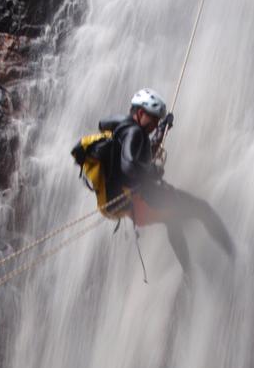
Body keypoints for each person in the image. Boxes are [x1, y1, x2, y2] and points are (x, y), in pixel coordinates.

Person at [96, 88, 234, 274]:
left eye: (158, 119)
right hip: (142, 198)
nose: (156, 122)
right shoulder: (134, 132)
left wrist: (161, 130)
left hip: (129, 201)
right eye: (153, 118)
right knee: (203, 210)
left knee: (172, 218)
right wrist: (152, 171)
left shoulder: (123, 128)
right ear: (140, 113)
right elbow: (129, 166)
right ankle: (234, 257)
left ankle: (188, 272)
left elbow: (141, 153)